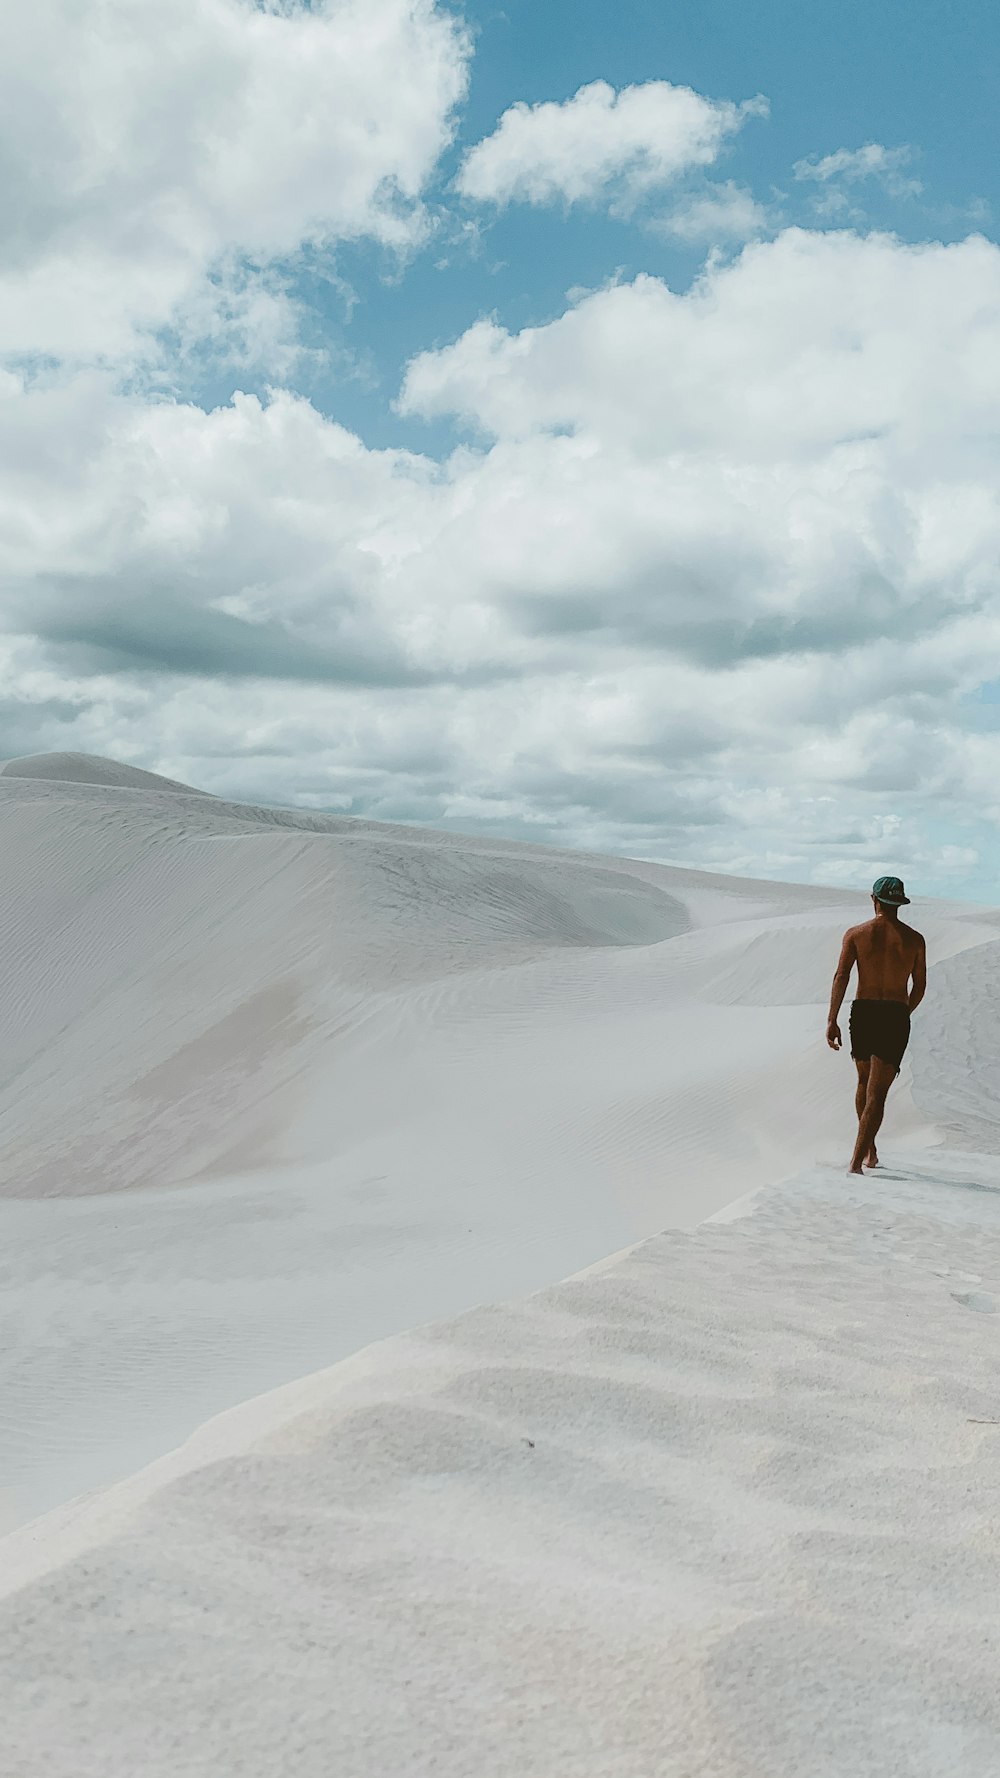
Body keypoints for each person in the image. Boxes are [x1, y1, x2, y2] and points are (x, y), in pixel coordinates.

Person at [826, 876, 926, 1176]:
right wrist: (903, 1012)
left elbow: (841, 976)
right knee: (877, 1092)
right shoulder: (914, 939)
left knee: (863, 1083)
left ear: (875, 900)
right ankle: (861, 1159)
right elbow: (919, 985)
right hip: (894, 1012)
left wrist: (831, 1019)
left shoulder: (856, 934)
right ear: (900, 903)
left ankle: (867, 1154)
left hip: (864, 1011)